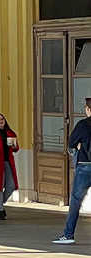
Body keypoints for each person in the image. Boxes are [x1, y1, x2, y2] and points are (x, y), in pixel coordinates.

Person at [54, 99, 91, 244]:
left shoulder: (83, 124)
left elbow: (71, 144)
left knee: (75, 201)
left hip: (85, 166)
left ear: (87, 109)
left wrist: (78, 146)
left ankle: (68, 235)